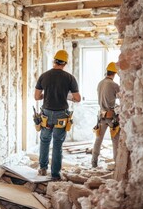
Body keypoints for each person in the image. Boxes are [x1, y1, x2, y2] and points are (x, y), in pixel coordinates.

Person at [34, 50, 81, 180]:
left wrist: (47, 94)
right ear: (65, 63)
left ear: (54, 61)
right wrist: (66, 95)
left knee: (44, 140)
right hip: (61, 115)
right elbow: (77, 98)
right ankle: (55, 174)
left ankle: (43, 169)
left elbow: (37, 97)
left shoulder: (44, 76)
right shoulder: (69, 78)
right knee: (57, 143)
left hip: (47, 114)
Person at [91, 62, 120, 168]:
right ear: (114, 73)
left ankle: (94, 161)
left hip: (101, 116)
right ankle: (117, 163)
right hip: (111, 117)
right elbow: (124, 95)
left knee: (98, 139)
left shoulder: (100, 83)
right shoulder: (114, 85)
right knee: (115, 140)